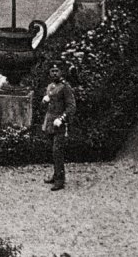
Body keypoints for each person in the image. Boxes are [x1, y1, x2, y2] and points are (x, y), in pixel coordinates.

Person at [39, 61, 77, 189]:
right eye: (52, 71)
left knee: (57, 151)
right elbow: (48, 105)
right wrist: (44, 101)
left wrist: (62, 118)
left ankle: (60, 180)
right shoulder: (50, 86)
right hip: (50, 122)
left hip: (59, 123)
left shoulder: (65, 87)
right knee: (53, 150)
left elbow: (71, 106)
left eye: (57, 71)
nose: (54, 73)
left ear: (61, 72)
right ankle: (56, 175)